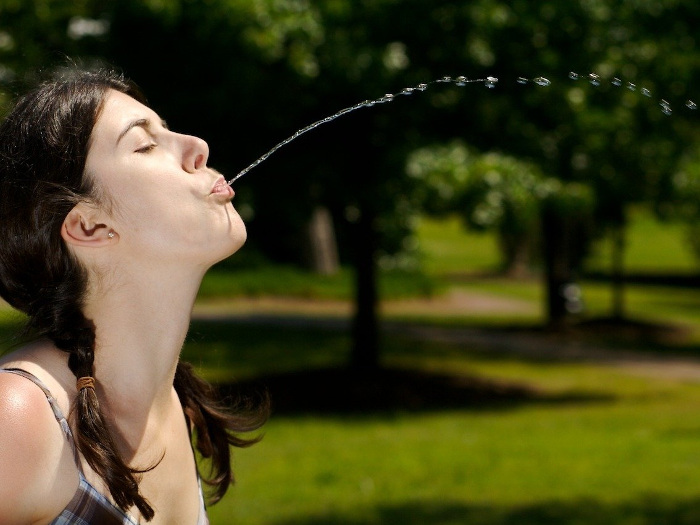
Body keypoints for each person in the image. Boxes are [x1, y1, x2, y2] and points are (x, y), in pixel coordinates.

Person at [0, 66, 268, 524]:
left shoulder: (172, 405)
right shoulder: (21, 422)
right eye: (145, 144)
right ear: (90, 226)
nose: (197, 147)